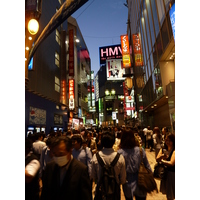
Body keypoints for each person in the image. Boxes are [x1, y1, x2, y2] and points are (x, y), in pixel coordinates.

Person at [41, 136, 92, 200]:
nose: (58, 157)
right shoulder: (50, 167)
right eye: (55, 154)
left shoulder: (81, 169)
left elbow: (86, 196)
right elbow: (45, 193)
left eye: (61, 154)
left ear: (70, 150)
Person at [118, 128, 152, 200]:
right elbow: (148, 166)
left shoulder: (120, 153)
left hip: (127, 183)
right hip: (141, 182)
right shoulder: (140, 150)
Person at [91, 131, 126, 199]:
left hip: (101, 192)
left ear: (102, 142)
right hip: (115, 193)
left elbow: (93, 176)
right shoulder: (120, 158)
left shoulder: (96, 157)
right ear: (113, 142)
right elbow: (123, 180)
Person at [156, 133, 175, 200]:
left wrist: (162, 161)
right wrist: (161, 157)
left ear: (173, 141)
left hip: (172, 174)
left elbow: (171, 163)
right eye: (166, 140)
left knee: (171, 194)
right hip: (165, 174)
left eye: (169, 140)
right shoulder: (163, 148)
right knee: (168, 194)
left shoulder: (174, 150)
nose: (167, 142)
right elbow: (157, 159)